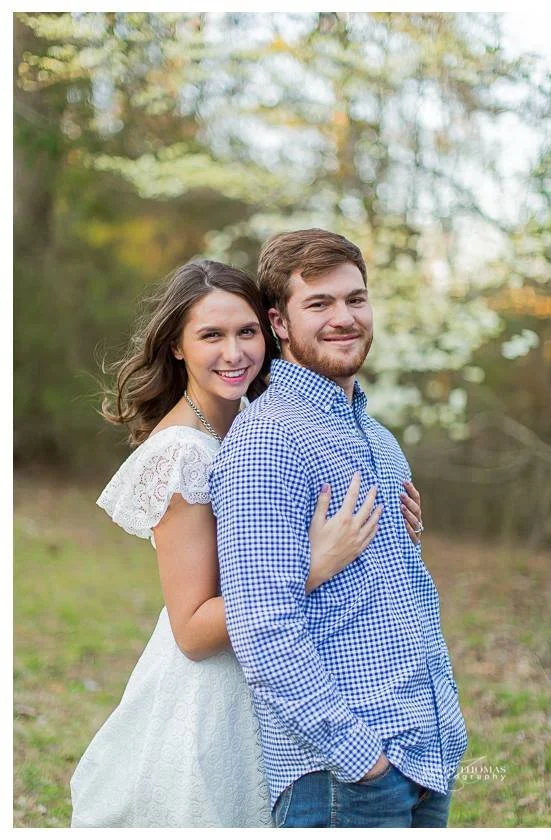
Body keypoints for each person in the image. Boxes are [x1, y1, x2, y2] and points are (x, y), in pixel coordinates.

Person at [69, 258, 423, 828]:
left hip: (288, 680)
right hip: (218, 697)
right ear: (178, 346)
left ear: (271, 331)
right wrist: (312, 564)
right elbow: (192, 629)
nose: (234, 353)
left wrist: (386, 520)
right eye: (211, 335)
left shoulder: (257, 421)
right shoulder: (182, 453)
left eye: (247, 332)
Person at [209, 229, 468, 829]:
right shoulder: (267, 441)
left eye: (355, 299)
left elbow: (395, 590)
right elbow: (262, 627)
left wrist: (444, 730)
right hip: (342, 778)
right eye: (318, 303)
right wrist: (361, 758)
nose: (343, 318)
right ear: (278, 322)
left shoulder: (378, 439)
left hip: (425, 754)